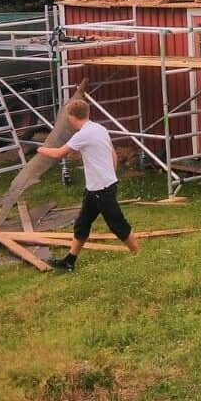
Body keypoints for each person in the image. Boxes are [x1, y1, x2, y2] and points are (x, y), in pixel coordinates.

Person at [35, 98, 139, 271]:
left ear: (72, 117)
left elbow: (59, 153)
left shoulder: (82, 135)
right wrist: (111, 175)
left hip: (101, 188)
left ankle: (139, 254)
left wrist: (40, 149)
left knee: (117, 223)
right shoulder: (99, 128)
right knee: (82, 223)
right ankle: (70, 261)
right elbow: (112, 153)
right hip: (96, 187)